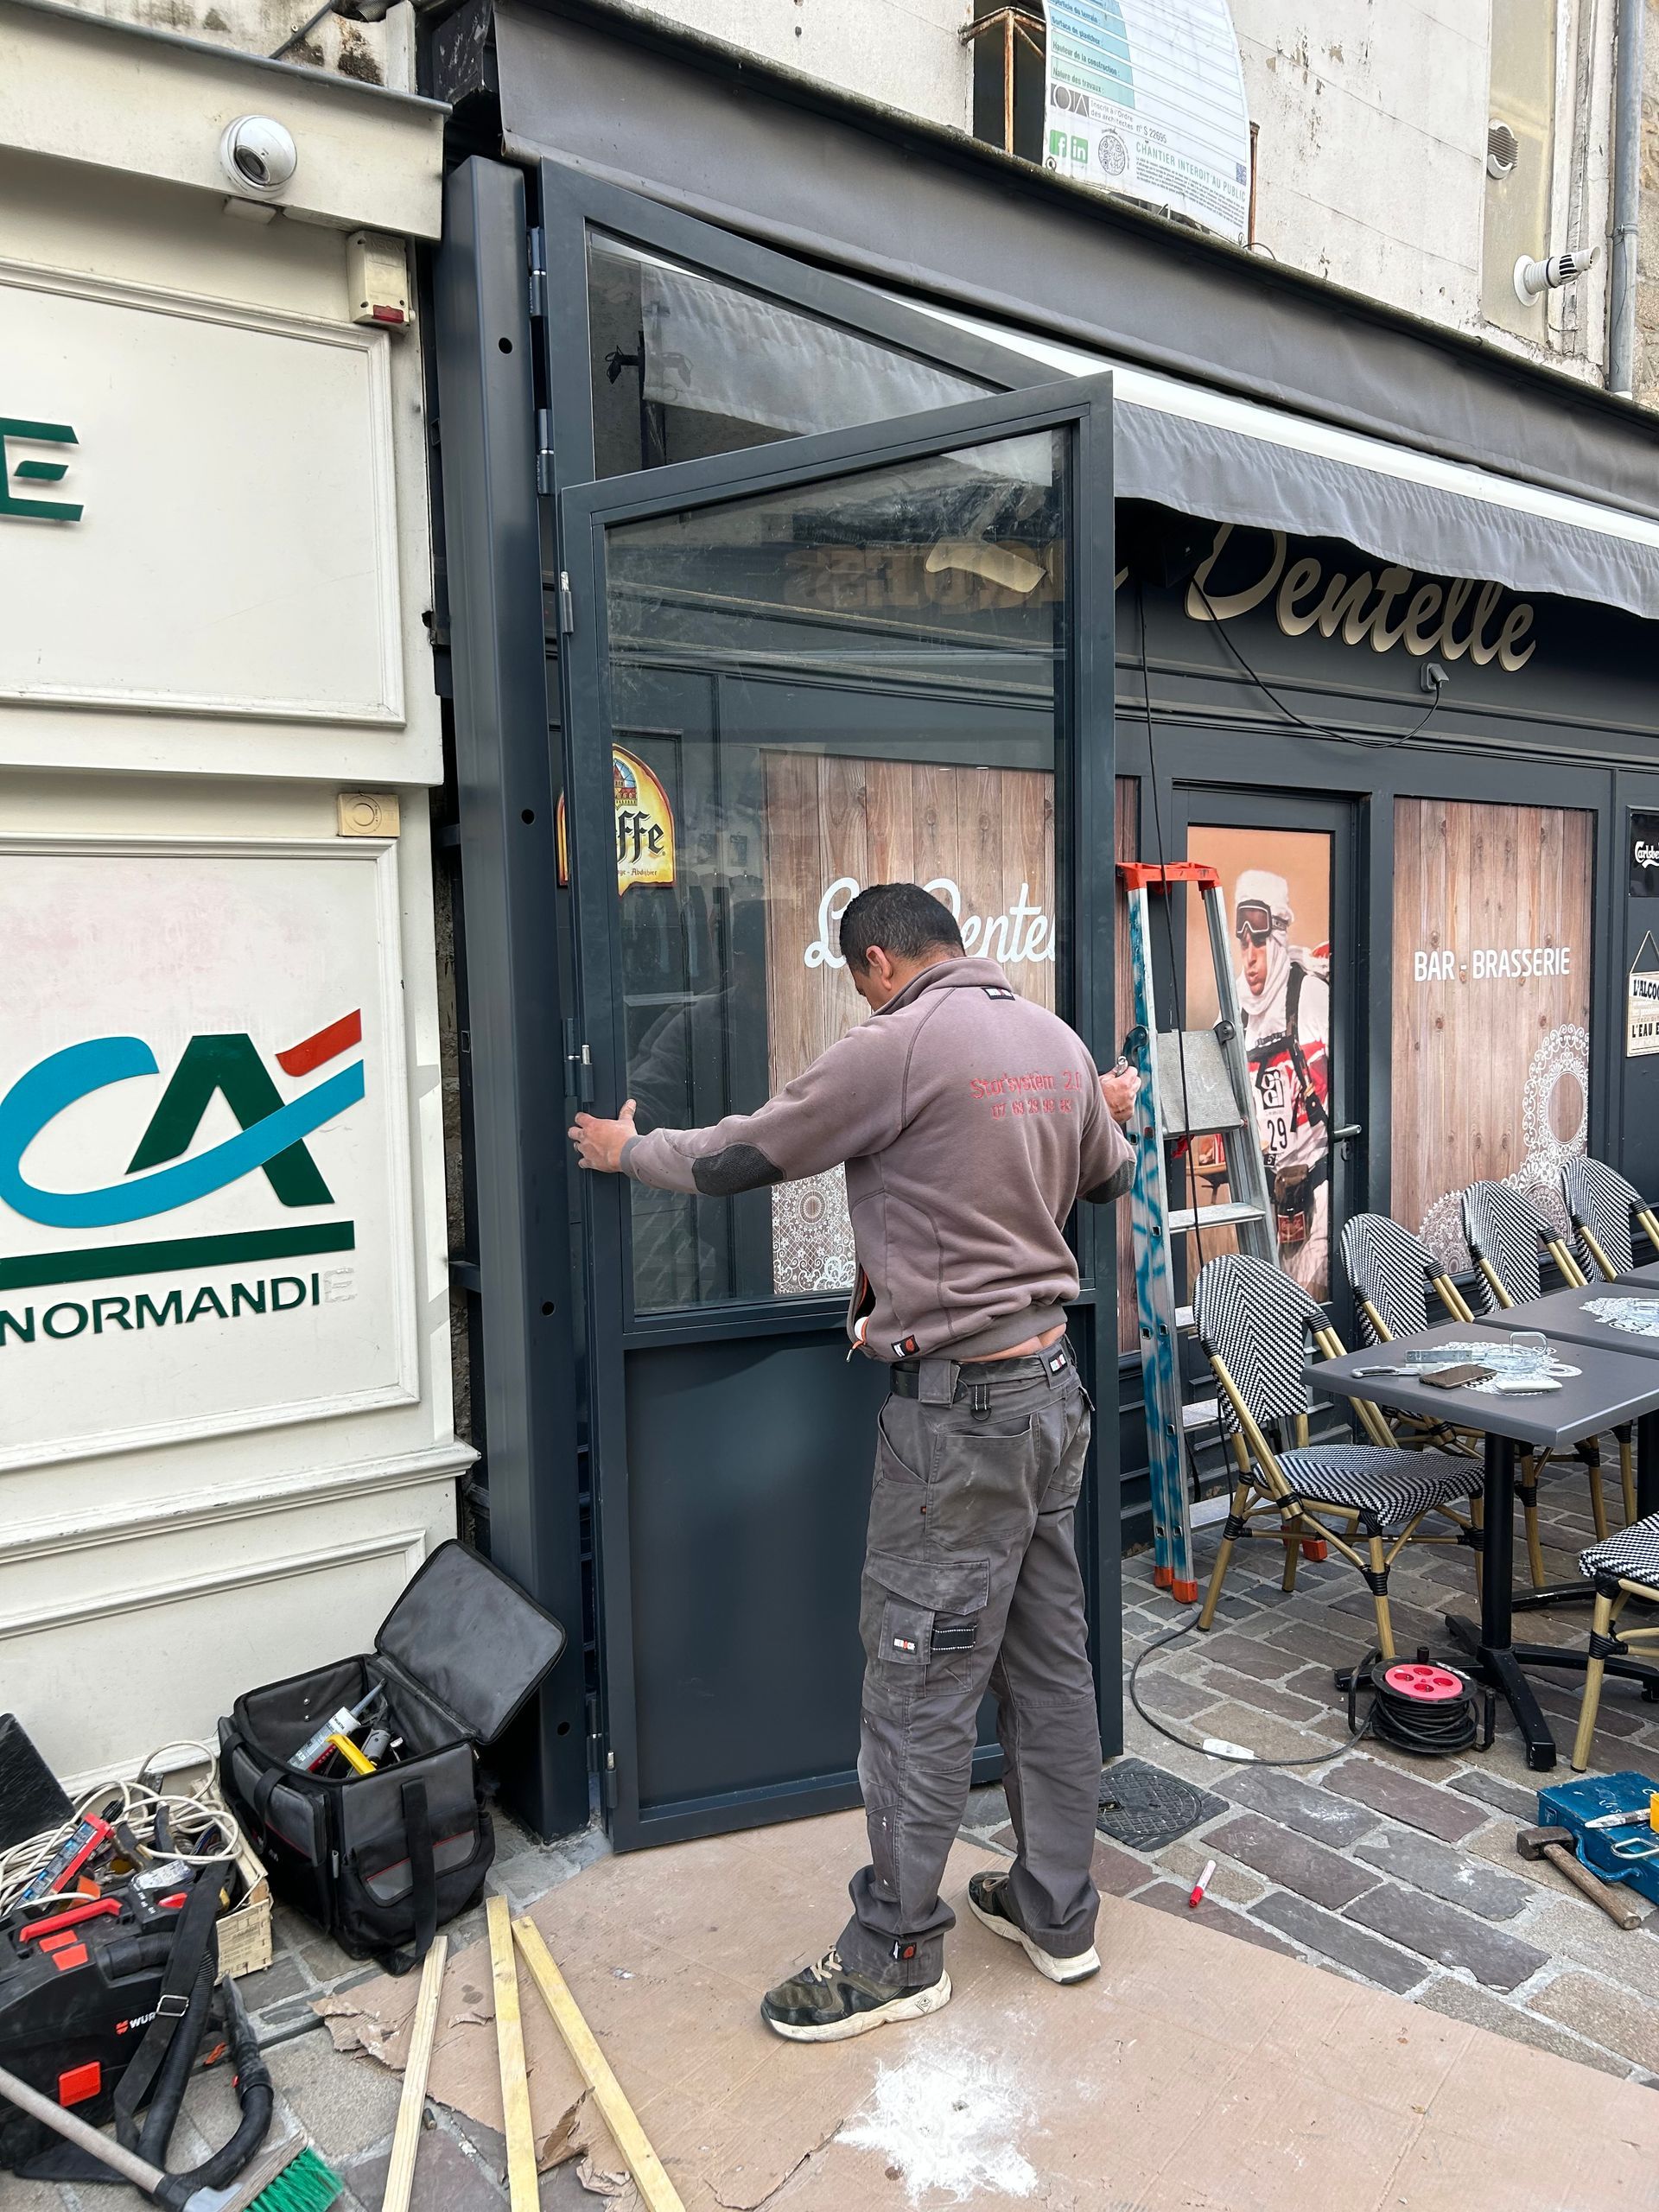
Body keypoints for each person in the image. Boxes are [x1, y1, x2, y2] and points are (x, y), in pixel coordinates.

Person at [570, 881, 1139, 2043]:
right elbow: (1110, 1173)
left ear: (877, 960)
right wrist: (1092, 1108)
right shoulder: (1055, 1040)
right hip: (1051, 1396)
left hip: (962, 1414)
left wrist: (629, 1150)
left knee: (918, 1681)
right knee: (1047, 1660)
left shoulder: (896, 1044)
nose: (861, 994)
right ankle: (1058, 1914)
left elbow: (742, 1156)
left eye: (858, 978)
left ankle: (895, 1951)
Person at [1232, 868, 1332, 1296]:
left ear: (1276, 938)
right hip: (1266, 1198)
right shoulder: (1237, 1013)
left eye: (1259, 941)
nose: (1250, 956)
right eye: (1243, 943)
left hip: (1317, 1189)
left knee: (1312, 1304)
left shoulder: (1308, 995)